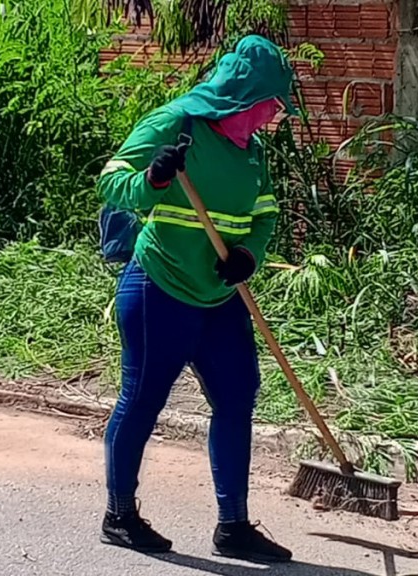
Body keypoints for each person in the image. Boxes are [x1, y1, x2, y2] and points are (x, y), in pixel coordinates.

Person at [97, 35, 296, 564]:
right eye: (271, 104)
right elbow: (112, 183)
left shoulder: (252, 151)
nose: (273, 116)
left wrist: (249, 255)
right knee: (142, 400)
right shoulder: (177, 123)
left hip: (220, 297)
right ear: (245, 95)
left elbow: (265, 214)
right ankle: (119, 515)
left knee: (237, 396)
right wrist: (153, 178)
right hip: (159, 289)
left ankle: (233, 526)